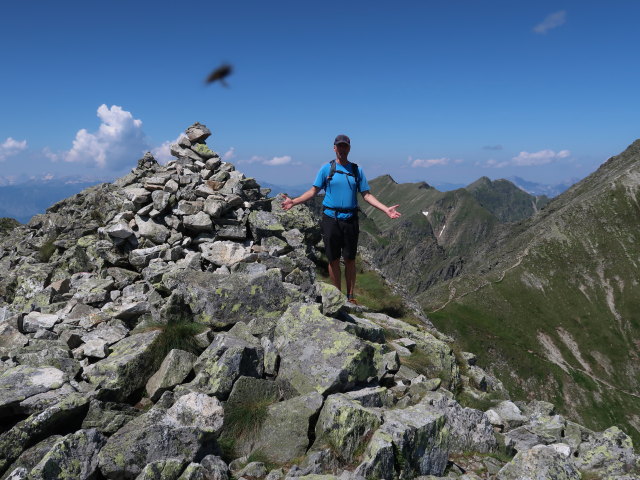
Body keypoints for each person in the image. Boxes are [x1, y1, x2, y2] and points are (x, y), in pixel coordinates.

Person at [281, 134, 401, 304]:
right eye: (340, 146)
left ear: (349, 148)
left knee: (350, 259)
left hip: (350, 219)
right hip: (331, 218)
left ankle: (350, 297)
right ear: (334, 148)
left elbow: (366, 195)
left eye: (345, 146)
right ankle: (337, 297)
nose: (342, 149)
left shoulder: (356, 170)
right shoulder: (326, 169)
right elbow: (313, 191)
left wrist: (385, 210)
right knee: (333, 259)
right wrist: (294, 201)